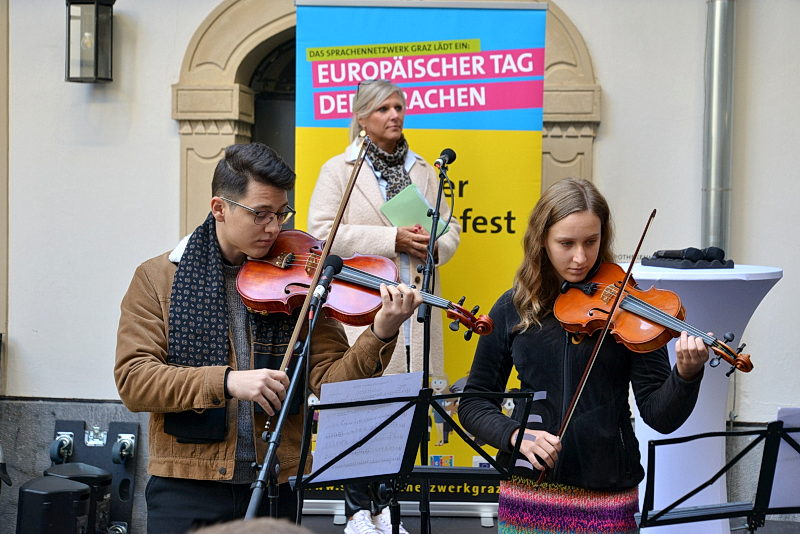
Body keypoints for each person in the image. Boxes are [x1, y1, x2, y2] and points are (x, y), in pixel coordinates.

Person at [114, 143, 422, 534]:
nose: (274, 228)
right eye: (260, 214)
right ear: (219, 208)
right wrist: (227, 382)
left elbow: (331, 385)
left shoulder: (300, 278)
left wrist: (382, 330)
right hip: (186, 482)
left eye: (281, 213)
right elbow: (134, 380)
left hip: (278, 480)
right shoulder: (157, 279)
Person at [458, 178, 709, 533]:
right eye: (566, 243)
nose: (580, 257)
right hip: (528, 489)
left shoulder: (628, 308)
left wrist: (685, 375)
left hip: (607, 493)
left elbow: (660, 416)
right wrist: (515, 435)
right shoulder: (513, 308)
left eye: (591, 242)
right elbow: (474, 403)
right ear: (541, 240)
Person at [308, 79, 461, 534]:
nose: (394, 115)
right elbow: (320, 234)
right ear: (361, 117)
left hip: (415, 308)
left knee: (406, 410)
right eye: (383, 109)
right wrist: (390, 238)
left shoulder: (425, 171)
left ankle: (387, 507)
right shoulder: (339, 169)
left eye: (398, 107)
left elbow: (450, 230)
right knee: (363, 406)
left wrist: (433, 244)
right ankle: (358, 510)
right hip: (364, 308)